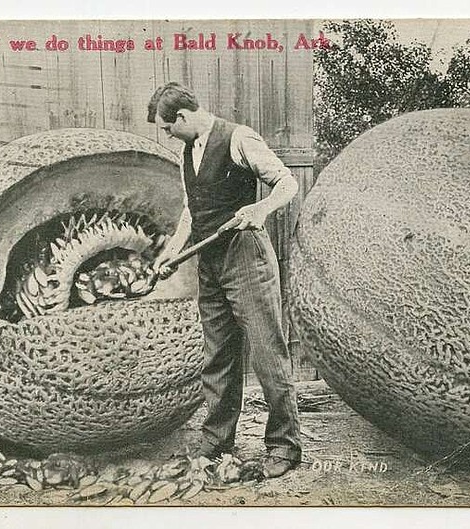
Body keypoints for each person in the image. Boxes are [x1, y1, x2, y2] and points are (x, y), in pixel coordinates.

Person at [147, 82, 302, 478]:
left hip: (245, 257)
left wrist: (261, 209)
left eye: (167, 127)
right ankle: (217, 438)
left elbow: (287, 183)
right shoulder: (187, 152)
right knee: (217, 355)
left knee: (268, 354)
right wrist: (170, 252)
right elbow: (190, 212)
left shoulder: (238, 139)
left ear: (181, 117)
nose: (166, 135)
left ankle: (284, 446)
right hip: (209, 261)